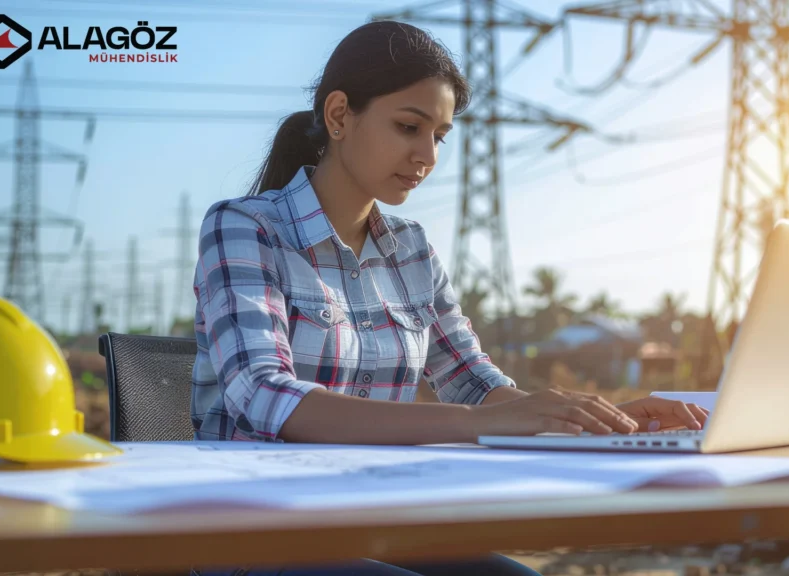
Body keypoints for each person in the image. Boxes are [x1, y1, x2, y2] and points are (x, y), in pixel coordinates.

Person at [191, 20, 709, 576]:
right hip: (252, 532)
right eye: (409, 127)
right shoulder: (245, 227)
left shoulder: (411, 250)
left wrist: (594, 421)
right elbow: (267, 396)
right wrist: (468, 423)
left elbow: (476, 384)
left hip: (367, 521)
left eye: (437, 136)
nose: (427, 156)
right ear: (340, 115)